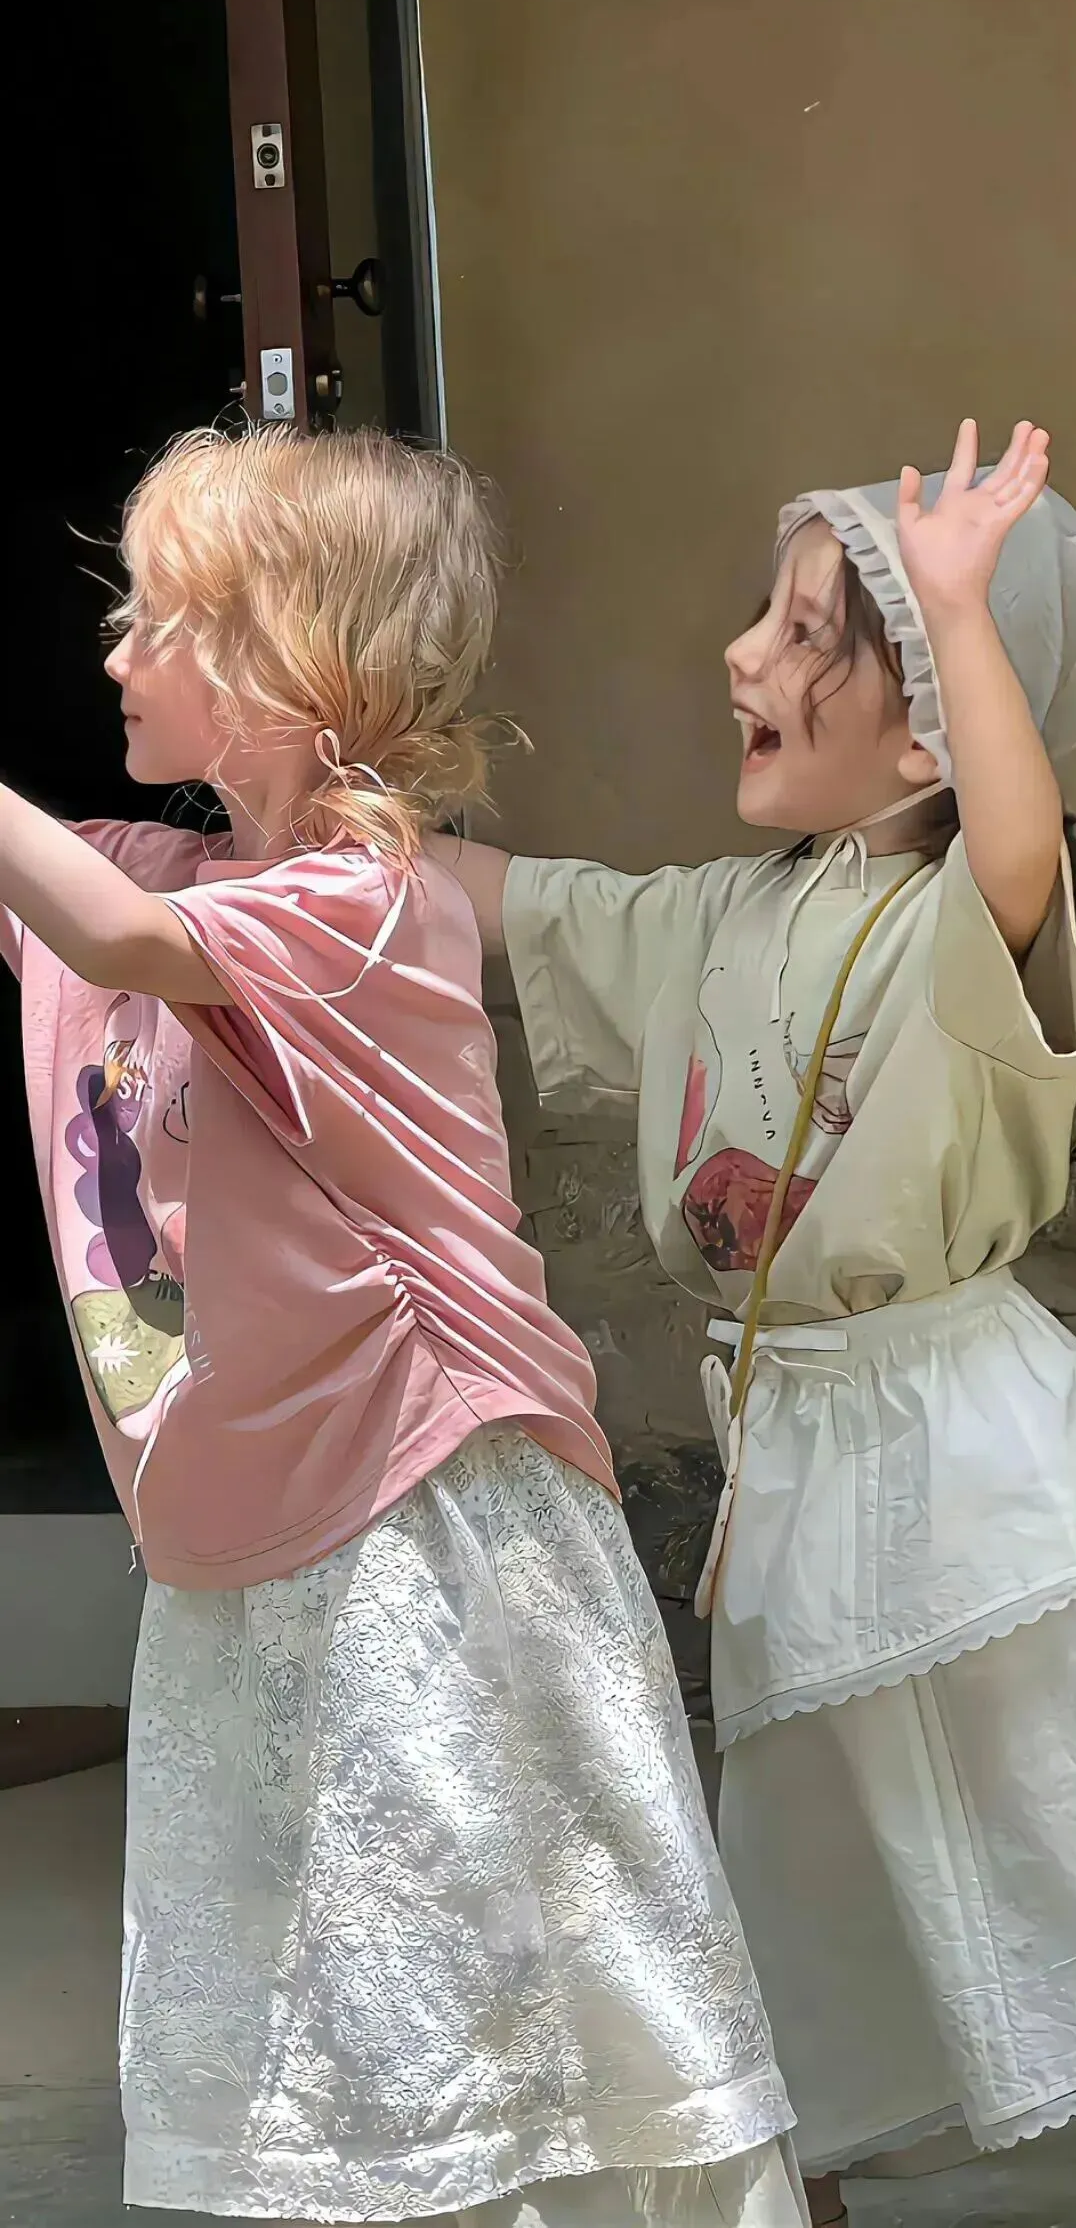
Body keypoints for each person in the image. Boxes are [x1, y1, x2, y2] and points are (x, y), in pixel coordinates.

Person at [0, 425, 808, 2227]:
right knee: (341, 1987)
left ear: (289, 665)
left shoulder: (367, 906)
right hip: (273, 1531)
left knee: (472, 1960)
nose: (114, 651)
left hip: (427, 1529)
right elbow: (79, 906)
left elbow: (111, 936)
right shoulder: (196, 882)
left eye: (161, 619)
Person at [436, 419, 1076, 2224]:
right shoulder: (728, 915)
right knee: (805, 1865)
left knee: (1045, 1814)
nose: (743, 657)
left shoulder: (972, 915)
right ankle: (809, 2158)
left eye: (808, 637)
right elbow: (519, 911)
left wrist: (954, 608)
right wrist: (319, 836)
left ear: (934, 724)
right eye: (766, 616)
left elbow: (1016, 842)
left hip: (970, 1457)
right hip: (795, 1465)